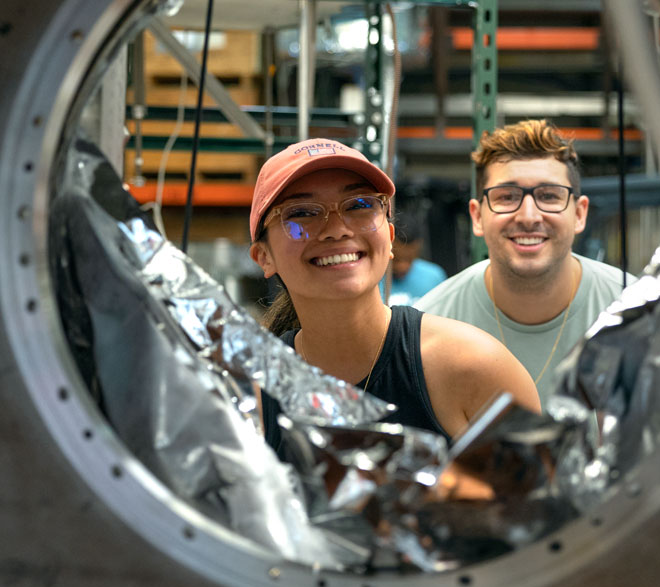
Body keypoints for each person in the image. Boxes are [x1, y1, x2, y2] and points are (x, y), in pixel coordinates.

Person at [249, 138, 539, 444]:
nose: (337, 229)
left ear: (389, 237)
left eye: (359, 205)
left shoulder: (473, 367)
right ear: (263, 257)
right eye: (302, 212)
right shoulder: (251, 393)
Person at [415, 120, 629, 404]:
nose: (529, 216)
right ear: (477, 216)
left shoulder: (633, 312)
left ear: (579, 213)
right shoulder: (429, 328)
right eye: (507, 197)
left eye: (549, 196)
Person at [388, 221, 447, 306]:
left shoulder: (434, 277)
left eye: (409, 259)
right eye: (396, 260)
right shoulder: (372, 279)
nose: (402, 267)